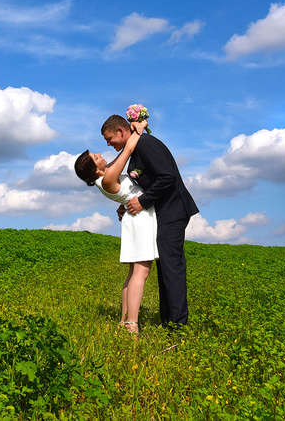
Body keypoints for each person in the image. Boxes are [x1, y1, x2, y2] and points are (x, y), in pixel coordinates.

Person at [101, 114, 199, 328]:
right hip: (163, 211)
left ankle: (177, 326)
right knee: (165, 267)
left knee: (172, 268)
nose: (109, 144)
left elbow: (167, 177)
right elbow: (148, 182)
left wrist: (142, 202)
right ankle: (168, 321)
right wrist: (126, 204)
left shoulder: (145, 144)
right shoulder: (137, 148)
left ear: (120, 131)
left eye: (109, 139)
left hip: (174, 210)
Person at [73, 121, 156, 335]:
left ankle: (124, 320)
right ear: (95, 169)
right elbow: (127, 150)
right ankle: (132, 324)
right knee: (141, 271)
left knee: (133, 273)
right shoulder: (108, 178)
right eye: (96, 158)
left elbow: (120, 157)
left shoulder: (105, 176)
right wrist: (139, 129)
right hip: (140, 219)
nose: (101, 155)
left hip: (133, 218)